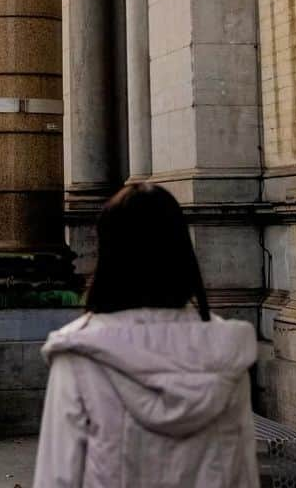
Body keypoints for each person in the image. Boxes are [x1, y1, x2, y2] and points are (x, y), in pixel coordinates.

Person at [32, 184, 260, 488]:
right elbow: (242, 474)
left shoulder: (80, 354)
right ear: (181, 252)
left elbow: (57, 477)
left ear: (109, 256)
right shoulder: (225, 352)